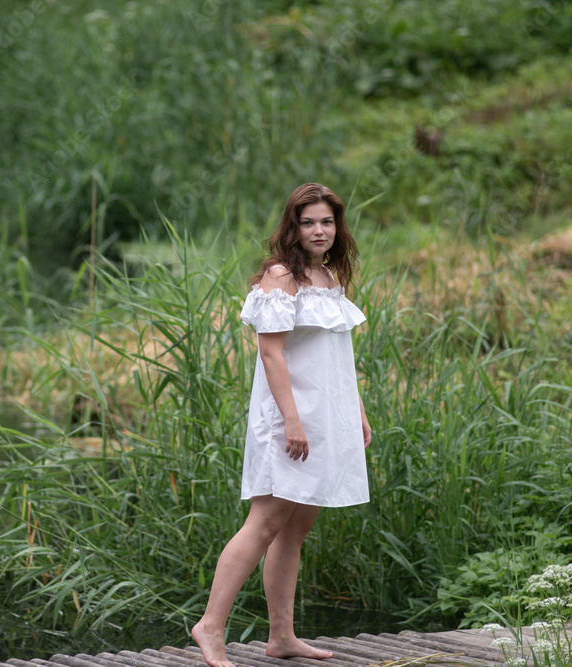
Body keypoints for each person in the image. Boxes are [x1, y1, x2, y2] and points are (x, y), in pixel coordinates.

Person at [191, 183, 372, 667]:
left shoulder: (329, 277)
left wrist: (356, 412)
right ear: (293, 227)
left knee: (296, 529)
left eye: (327, 221)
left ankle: (282, 637)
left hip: (325, 419)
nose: (319, 230)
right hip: (290, 419)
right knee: (266, 522)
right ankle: (210, 626)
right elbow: (271, 354)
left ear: (337, 227)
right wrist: (292, 422)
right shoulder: (281, 277)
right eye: (308, 222)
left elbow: (337, 356)